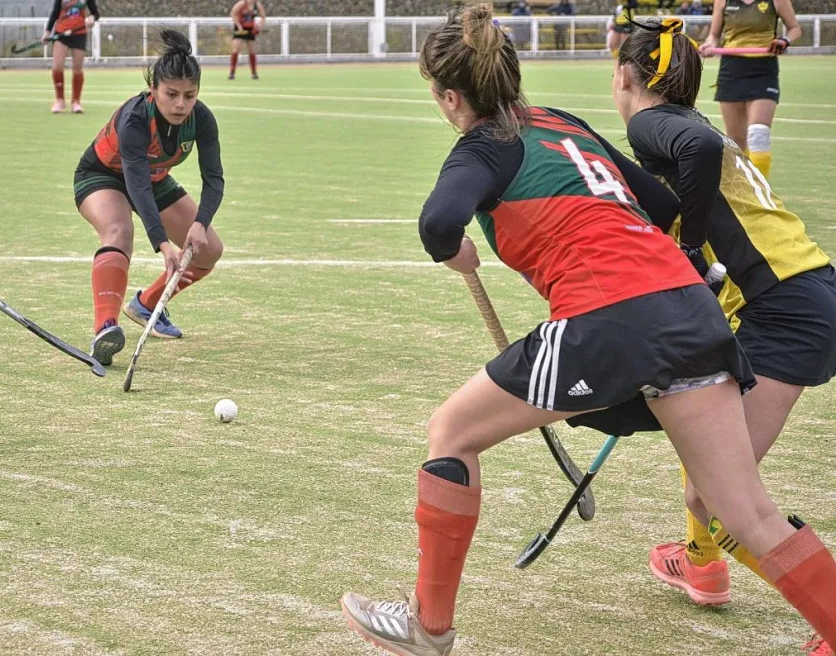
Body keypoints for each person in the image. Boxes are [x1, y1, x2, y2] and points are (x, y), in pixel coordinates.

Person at [338, 6, 836, 656]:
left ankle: (427, 627)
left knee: (451, 434)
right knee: (749, 513)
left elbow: (439, 221)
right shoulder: (564, 125)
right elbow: (660, 206)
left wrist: (454, 248)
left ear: (449, 95)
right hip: (694, 311)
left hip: (610, 319)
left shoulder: (484, 145)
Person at [609, 17, 836, 654]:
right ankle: (702, 564)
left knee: (727, 492)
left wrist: (684, 247)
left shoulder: (652, 124)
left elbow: (701, 161)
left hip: (786, 305)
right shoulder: (692, 125)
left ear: (624, 75)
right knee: (708, 481)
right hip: (796, 294)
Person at [73, 30, 224, 367]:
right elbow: (135, 183)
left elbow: (214, 179)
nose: (181, 104)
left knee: (209, 249)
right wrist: (162, 244)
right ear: (153, 89)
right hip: (102, 175)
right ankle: (105, 329)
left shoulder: (201, 119)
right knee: (119, 233)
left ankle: (146, 304)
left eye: (189, 95)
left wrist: (201, 224)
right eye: (171, 94)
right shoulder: (135, 118)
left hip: (154, 179)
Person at [699, 0, 800, 177]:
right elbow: (714, 35)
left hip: (763, 69)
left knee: (758, 133)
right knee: (736, 141)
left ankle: (762, 192)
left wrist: (784, 40)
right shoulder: (723, 1)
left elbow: (795, 29)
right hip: (732, 69)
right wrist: (710, 44)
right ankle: (743, 191)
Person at [43, 0, 99, 114]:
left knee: (77, 68)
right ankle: (59, 100)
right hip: (61, 33)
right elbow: (55, 13)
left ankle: (76, 102)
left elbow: (96, 13)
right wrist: (47, 32)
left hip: (79, 34)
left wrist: (92, 18)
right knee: (57, 66)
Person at [228, 0, 265, 80]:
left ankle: (254, 73)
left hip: (250, 30)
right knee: (235, 50)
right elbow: (233, 14)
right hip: (240, 29)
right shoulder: (242, 3)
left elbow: (263, 16)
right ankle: (232, 72)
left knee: (252, 51)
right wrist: (239, 26)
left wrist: (259, 26)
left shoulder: (257, 4)